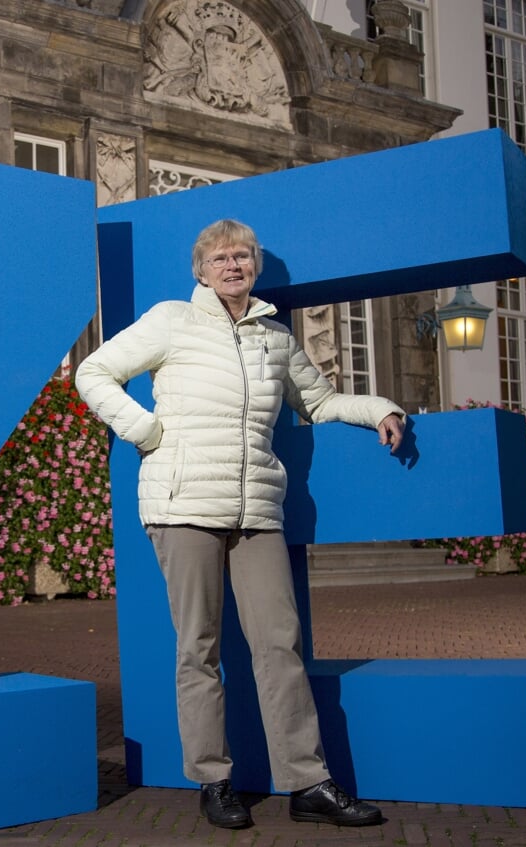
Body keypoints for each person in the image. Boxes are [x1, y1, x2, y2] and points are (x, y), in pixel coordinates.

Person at [76, 219, 405, 830]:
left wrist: (380, 407)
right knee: (197, 648)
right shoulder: (172, 319)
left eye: (243, 256)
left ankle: (307, 784)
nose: (234, 265)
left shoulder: (275, 338)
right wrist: (144, 431)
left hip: (256, 508)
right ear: (200, 270)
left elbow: (322, 402)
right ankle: (214, 779)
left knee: (280, 643)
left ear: (255, 267)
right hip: (181, 505)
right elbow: (92, 372)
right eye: (221, 257)